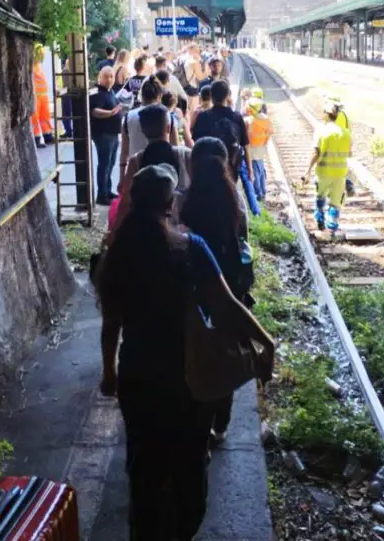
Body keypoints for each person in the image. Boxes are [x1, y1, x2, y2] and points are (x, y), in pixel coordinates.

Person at [97, 164, 274, 541]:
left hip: (138, 373)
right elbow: (227, 305)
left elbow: (111, 321)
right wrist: (266, 341)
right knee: (189, 464)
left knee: (144, 465)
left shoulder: (119, 252)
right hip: (189, 376)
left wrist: (109, 371)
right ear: (169, 203)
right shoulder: (190, 248)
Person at [178, 138, 253, 445]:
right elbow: (243, 242)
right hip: (230, 291)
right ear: (226, 162)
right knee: (224, 355)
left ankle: (195, 422)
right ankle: (219, 426)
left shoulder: (184, 201)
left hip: (193, 292)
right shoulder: (235, 200)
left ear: (192, 164)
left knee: (193, 355)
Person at [113, 103, 191, 230]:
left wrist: (114, 233)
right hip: (181, 229)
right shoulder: (185, 156)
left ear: (143, 130)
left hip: (147, 230)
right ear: (168, 128)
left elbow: (125, 202)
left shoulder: (136, 161)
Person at [301, 99, 351, 232]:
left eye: (323, 111)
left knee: (320, 196)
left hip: (324, 171)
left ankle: (320, 220)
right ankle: (332, 228)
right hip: (340, 173)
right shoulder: (346, 133)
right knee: (336, 202)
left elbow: (316, 152)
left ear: (327, 114)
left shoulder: (322, 131)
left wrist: (308, 170)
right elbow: (349, 153)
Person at [192, 79, 253, 188]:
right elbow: (246, 145)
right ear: (228, 96)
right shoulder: (237, 117)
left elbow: (196, 143)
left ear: (211, 95)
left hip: (208, 169)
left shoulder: (203, 116)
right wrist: (250, 168)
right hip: (231, 168)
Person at [120, 77, 176, 171]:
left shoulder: (128, 117)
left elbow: (124, 152)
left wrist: (122, 177)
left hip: (136, 170)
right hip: (162, 170)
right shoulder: (167, 116)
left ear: (141, 95)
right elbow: (174, 147)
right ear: (160, 96)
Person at [90, 65, 123, 205]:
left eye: (112, 76)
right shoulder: (97, 92)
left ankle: (107, 191)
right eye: (106, 76)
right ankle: (101, 194)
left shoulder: (111, 92)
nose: (109, 79)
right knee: (104, 164)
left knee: (110, 164)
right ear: (100, 77)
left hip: (113, 133)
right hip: (103, 134)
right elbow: (94, 111)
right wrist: (110, 113)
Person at [244, 98, 272, 202]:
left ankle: (259, 194)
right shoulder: (266, 119)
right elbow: (269, 133)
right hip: (261, 147)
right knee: (260, 170)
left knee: (255, 172)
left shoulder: (249, 121)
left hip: (252, 150)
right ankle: (263, 191)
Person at [31, 43, 53, 148]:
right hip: (36, 96)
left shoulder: (38, 65)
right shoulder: (31, 66)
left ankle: (48, 135)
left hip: (43, 96)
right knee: (35, 118)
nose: (42, 57)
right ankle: (37, 139)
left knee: (45, 117)